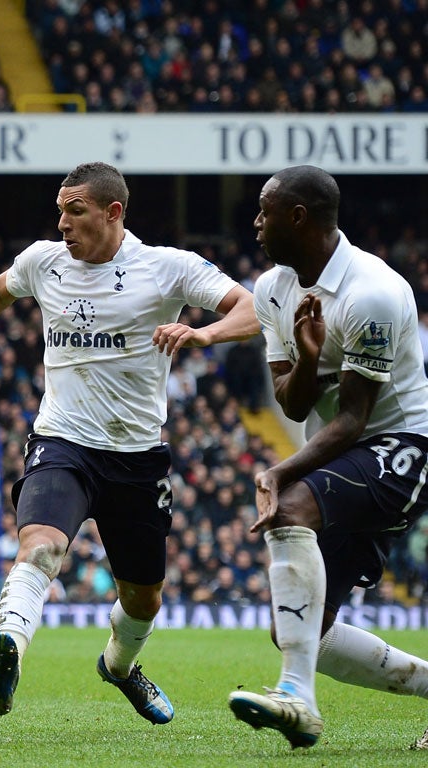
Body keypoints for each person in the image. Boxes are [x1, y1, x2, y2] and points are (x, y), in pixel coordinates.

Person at [0, 162, 259, 720]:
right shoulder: (44, 262)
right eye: (59, 210)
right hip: (63, 442)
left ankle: (120, 665)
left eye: (74, 211)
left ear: (113, 213)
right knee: (41, 543)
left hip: (136, 458)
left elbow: (252, 309)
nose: (62, 223)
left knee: (143, 599)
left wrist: (204, 331)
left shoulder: (166, 269)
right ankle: (9, 642)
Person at [227, 165, 428, 749]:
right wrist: (310, 358)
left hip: (403, 447)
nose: (256, 223)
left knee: (288, 507)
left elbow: (354, 419)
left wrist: (281, 470)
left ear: (299, 218)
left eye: (266, 212)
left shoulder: (373, 292)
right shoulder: (272, 290)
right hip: (345, 454)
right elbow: (292, 404)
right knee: (300, 627)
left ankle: (297, 699)